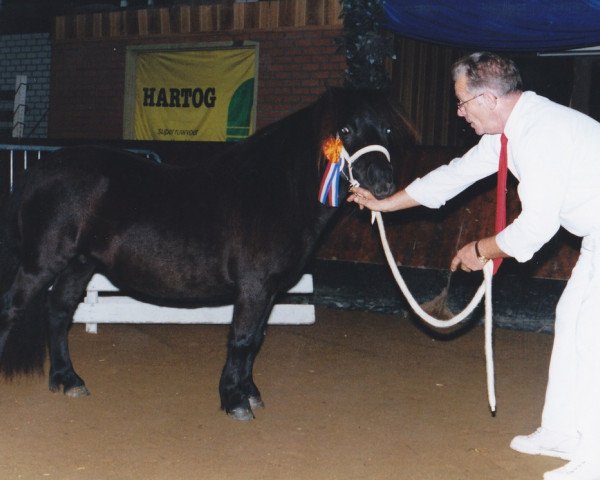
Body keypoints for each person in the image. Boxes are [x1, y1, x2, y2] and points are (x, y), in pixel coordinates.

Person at [348, 51, 600, 480]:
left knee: (592, 339)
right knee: (572, 319)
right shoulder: (510, 132)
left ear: (488, 98)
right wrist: (386, 204)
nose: (460, 112)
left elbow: (536, 227)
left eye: (463, 102)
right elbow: (455, 174)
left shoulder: (541, 133)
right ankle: (561, 432)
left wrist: (481, 250)